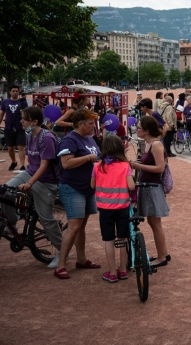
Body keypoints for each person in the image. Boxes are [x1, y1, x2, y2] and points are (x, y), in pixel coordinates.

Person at [0, 106, 63, 268]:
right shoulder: (29, 135)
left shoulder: (46, 137)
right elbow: (32, 163)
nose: (21, 121)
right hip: (30, 173)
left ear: (35, 122)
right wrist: (26, 179)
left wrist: (29, 183)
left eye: (24, 119)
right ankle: (12, 224)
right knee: (4, 191)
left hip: (46, 181)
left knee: (46, 218)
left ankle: (63, 251)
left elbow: (44, 165)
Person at [54, 109, 102, 279]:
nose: (93, 127)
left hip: (88, 188)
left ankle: (81, 259)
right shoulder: (69, 140)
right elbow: (66, 163)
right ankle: (61, 264)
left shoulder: (89, 138)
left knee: (81, 226)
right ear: (80, 124)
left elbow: (96, 157)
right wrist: (88, 158)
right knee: (74, 226)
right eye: (90, 124)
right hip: (72, 187)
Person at [91, 135, 135, 283]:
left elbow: (92, 186)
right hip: (122, 206)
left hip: (105, 208)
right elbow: (131, 186)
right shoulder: (125, 165)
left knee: (108, 239)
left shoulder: (97, 166)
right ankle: (123, 270)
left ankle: (112, 272)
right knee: (122, 238)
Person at [130, 116, 170, 267]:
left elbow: (160, 168)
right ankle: (163, 253)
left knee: (155, 223)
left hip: (153, 187)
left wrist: (139, 166)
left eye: (139, 128)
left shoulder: (156, 145)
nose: (136, 130)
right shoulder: (149, 144)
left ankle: (162, 257)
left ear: (146, 131)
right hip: (148, 186)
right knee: (153, 222)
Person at [0, 85, 29, 170]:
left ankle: (22, 165)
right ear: (10, 92)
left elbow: (27, 114)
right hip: (8, 127)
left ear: (18, 92)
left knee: (20, 146)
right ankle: (14, 162)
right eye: (13, 91)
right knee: (10, 147)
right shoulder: (5, 102)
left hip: (20, 127)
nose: (15, 92)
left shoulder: (22, 102)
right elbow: (1, 114)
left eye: (16, 91)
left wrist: (22, 113)